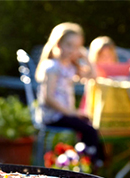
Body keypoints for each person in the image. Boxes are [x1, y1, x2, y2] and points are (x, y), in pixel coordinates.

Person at [35, 22, 105, 168]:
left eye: (77, 46)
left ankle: (87, 160)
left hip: (66, 114)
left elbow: (93, 76)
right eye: (69, 45)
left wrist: (86, 58)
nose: (72, 50)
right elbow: (48, 98)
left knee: (92, 124)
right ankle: (91, 162)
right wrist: (72, 113)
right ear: (58, 44)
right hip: (53, 116)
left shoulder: (70, 66)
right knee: (88, 129)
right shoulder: (52, 67)